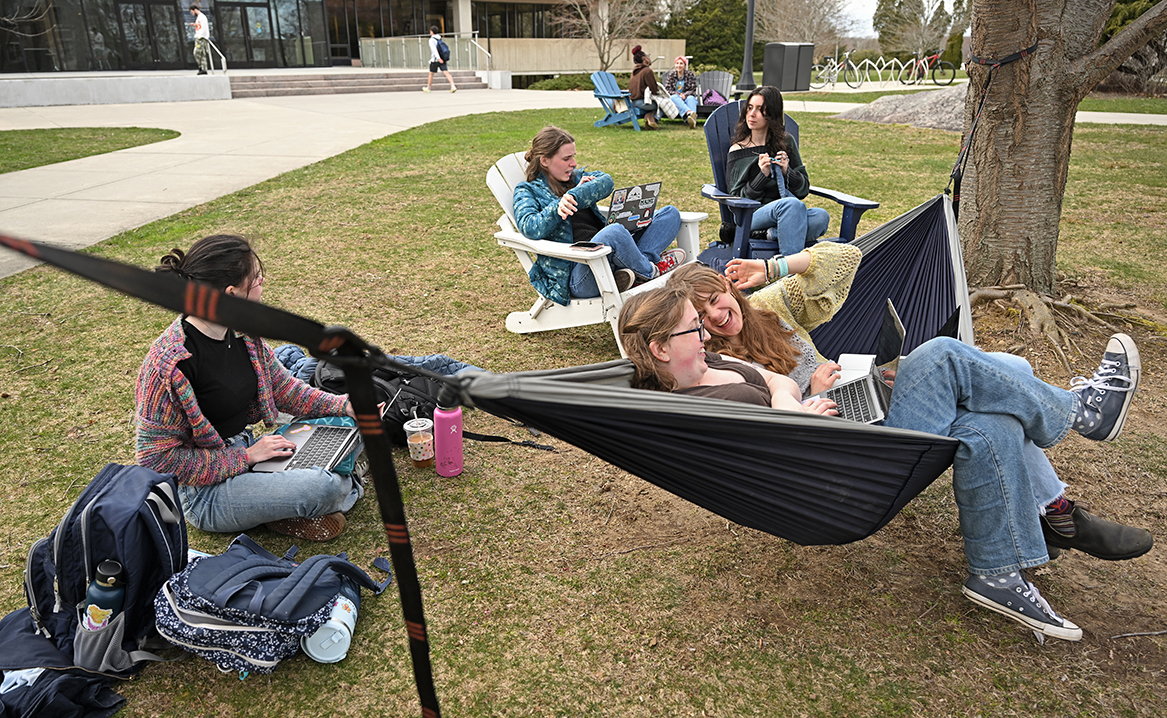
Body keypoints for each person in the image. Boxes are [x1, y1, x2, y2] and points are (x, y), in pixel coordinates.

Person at [666, 258, 1154, 641]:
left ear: (731, 288)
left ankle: (998, 574)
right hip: (847, 447)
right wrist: (809, 391)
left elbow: (842, 260)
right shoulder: (718, 363)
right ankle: (1077, 424)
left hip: (858, 408)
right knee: (946, 355)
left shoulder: (771, 308)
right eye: (701, 317)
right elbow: (765, 431)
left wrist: (770, 269)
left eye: (716, 298)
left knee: (992, 417)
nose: (715, 315)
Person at [135, 235, 365, 542]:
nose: (262, 281)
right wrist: (246, 457)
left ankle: (290, 495)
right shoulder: (168, 363)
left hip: (255, 449)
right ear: (232, 294)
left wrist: (344, 405)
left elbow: (284, 389)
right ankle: (319, 486)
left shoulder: (243, 331)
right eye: (256, 278)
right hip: (208, 493)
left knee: (357, 424)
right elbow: (157, 460)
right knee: (324, 487)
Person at [512, 126, 686, 304]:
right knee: (614, 232)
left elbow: (606, 182)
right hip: (580, 273)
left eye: (573, 156)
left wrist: (575, 193)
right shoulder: (527, 190)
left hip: (608, 256)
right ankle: (651, 272)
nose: (573, 163)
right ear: (544, 161)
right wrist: (558, 206)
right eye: (566, 158)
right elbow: (528, 226)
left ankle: (637, 269)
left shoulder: (575, 177)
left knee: (669, 214)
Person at [619, 287, 837, 416]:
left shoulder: (705, 362)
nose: (706, 336)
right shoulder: (698, 406)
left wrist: (786, 406)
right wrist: (803, 424)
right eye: (694, 328)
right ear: (661, 349)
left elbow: (777, 380)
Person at [729, 86, 831, 257]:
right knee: (792, 206)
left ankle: (769, 235)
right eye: (750, 108)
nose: (752, 114)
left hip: (787, 212)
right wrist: (762, 176)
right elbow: (736, 199)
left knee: (821, 216)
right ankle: (791, 274)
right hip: (752, 216)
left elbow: (803, 189)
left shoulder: (786, 142)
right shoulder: (738, 150)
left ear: (772, 115)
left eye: (760, 110)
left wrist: (786, 171)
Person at [628, 46, 661, 130]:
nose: (650, 58)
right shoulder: (647, 71)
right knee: (663, 104)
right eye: (648, 56)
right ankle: (651, 118)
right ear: (644, 59)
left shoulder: (634, 70)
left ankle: (650, 118)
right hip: (642, 102)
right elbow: (654, 89)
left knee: (657, 104)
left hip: (633, 101)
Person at [662, 56, 699, 129]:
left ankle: (692, 120)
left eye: (681, 63)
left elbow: (693, 89)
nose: (679, 65)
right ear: (675, 65)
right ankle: (689, 113)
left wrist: (685, 95)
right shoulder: (671, 75)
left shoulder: (690, 75)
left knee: (691, 98)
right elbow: (667, 89)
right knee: (673, 97)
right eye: (677, 63)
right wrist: (679, 95)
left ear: (685, 65)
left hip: (687, 97)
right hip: (676, 98)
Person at [423, 26, 456, 93]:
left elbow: (434, 50)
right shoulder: (439, 38)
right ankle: (453, 86)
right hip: (442, 58)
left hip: (435, 59)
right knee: (446, 72)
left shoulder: (431, 40)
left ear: (432, 32)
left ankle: (428, 88)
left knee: (431, 73)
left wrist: (438, 58)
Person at [189, 4, 211, 75]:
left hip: (201, 38)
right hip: (200, 37)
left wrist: (202, 36)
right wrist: (194, 25)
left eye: (192, 12)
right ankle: (203, 68)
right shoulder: (199, 17)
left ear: (195, 10)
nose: (192, 14)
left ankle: (202, 67)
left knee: (197, 52)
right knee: (202, 53)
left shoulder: (202, 17)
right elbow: (200, 25)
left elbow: (204, 28)